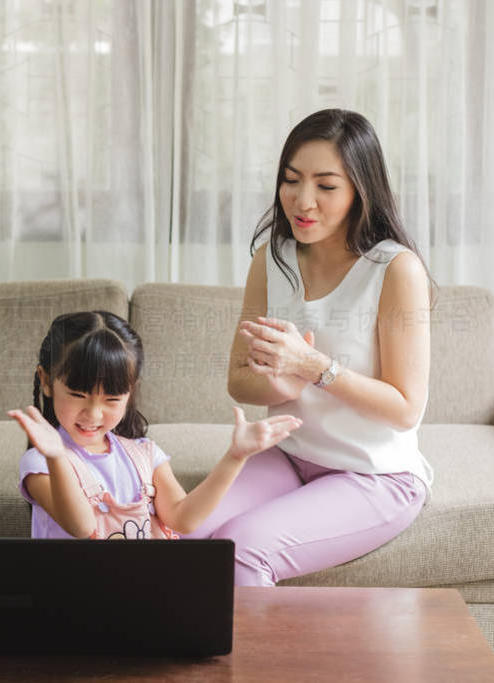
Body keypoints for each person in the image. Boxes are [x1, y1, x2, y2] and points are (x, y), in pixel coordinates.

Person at [185, 108, 436, 586]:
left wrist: (315, 366)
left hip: (374, 476)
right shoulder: (272, 259)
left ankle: (251, 665)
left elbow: (406, 409)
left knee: (241, 553)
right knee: (183, 536)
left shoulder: (395, 270)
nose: (303, 201)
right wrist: (278, 380)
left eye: (326, 186)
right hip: (288, 456)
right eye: (291, 179)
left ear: (361, 190)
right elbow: (238, 382)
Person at [9, 310, 302, 540]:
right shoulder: (40, 464)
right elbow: (81, 526)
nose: (94, 414)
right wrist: (57, 457)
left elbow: (183, 519)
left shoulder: (146, 454)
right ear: (46, 381)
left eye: (111, 399)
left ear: (130, 392)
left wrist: (236, 456)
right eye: (77, 395)